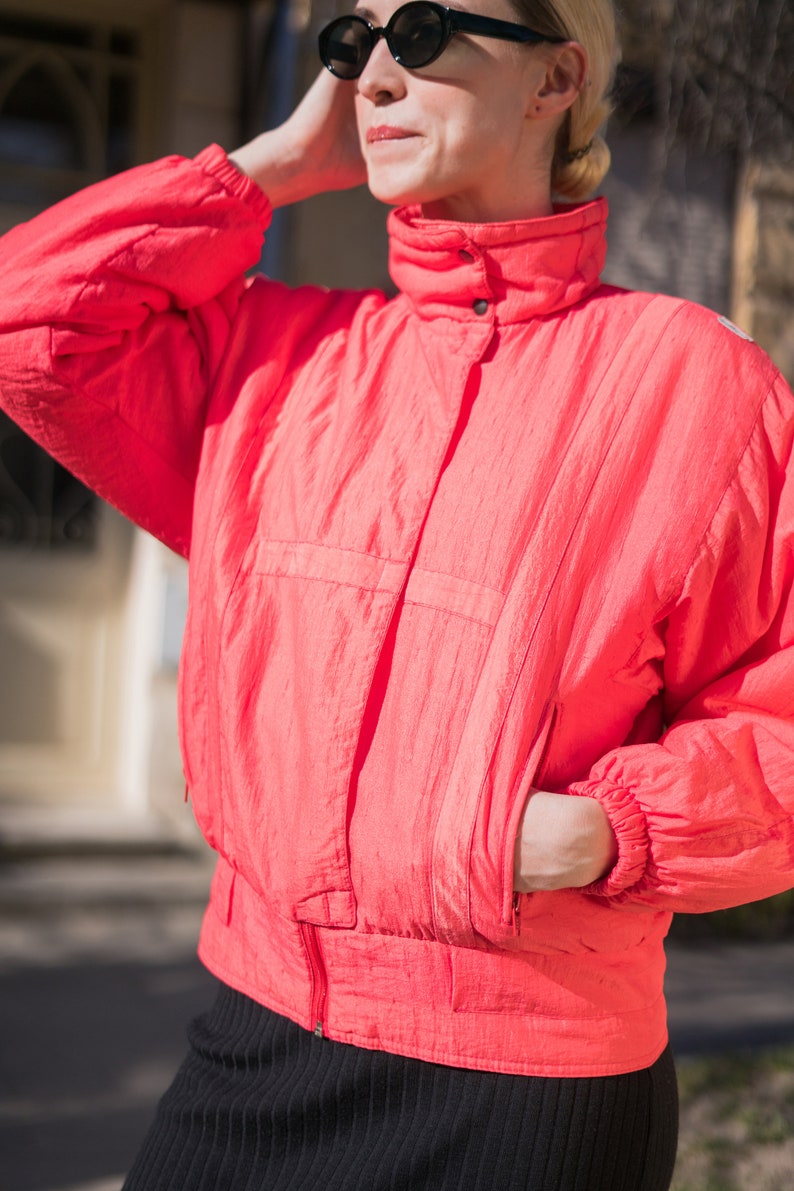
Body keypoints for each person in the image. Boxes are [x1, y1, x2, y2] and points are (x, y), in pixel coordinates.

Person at [0, 0, 792, 1185]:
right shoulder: (271, 357)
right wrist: (263, 171)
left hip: (531, 1091)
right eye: (346, 40)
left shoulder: (694, 384)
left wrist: (608, 831)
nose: (371, 75)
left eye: (416, 31)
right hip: (254, 1041)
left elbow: (773, 721)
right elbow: (31, 327)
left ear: (552, 78)